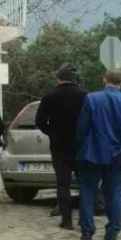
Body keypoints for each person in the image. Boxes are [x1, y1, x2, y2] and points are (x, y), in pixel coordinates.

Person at [74, 69, 121, 240]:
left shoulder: (92, 99)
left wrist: (79, 147)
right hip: (116, 154)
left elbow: (82, 128)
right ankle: (113, 231)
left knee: (87, 191)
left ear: (104, 79)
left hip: (91, 152)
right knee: (114, 193)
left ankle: (87, 231)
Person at [36, 64, 88, 229]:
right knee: (84, 183)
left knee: (63, 184)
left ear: (59, 79)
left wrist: (52, 132)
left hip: (59, 146)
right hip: (81, 146)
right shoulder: (85, 96)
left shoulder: (49, 97)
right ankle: (84, 218)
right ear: (75, 80)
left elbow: (40, 121)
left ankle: (66, 220)